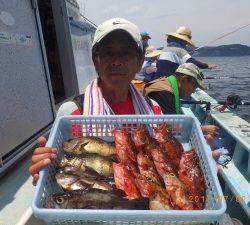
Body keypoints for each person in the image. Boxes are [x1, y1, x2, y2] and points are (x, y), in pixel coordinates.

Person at [29, 19, 218, 186]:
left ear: (139, 62)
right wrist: (46, 170)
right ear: (96, 61)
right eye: (108, 53)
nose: (117, 61)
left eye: (126, 54)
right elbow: (63, 170)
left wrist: (197, 165)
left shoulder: (154, 109)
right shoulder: (72, 113)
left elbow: (163, 163)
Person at [143, 62, 219, 137]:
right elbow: (170, 129)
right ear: (184, 79)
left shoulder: (166, 83)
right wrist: (202, 129)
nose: (193, 91)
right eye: (194, 86)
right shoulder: (164, 94)